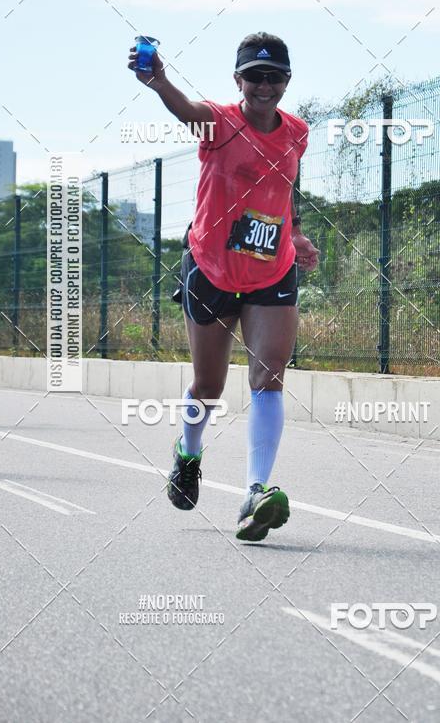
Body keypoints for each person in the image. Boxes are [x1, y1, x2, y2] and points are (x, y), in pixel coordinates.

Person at [128, 32, 319, 541]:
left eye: (273, 76)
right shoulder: (219, 121)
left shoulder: (297, 132)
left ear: (286, 82)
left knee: (268, 376)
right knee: (208, 387)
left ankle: (257, 493)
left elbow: (289, 186)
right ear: (239, 81)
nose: (264, 85)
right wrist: (158, 81)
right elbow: (186, 109)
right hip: (211, 267)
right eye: (254, 76)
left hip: (271, 269)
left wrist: (295, 232)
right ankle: (187, 454)